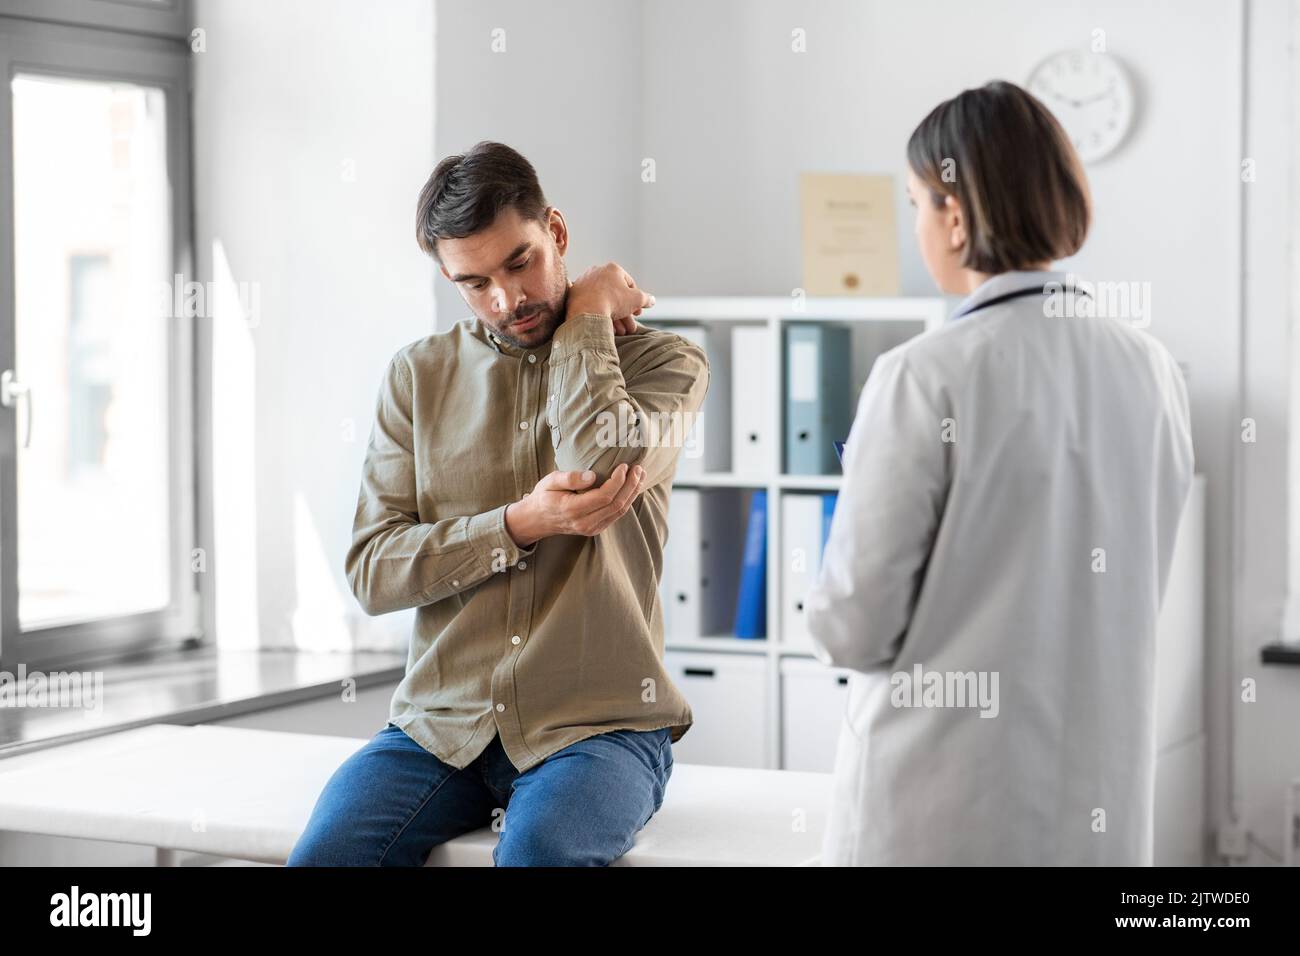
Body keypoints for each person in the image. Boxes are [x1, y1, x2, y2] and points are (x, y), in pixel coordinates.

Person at [805, 81, 1194, 865]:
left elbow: (853, 626)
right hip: (1095, 808)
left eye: (916, 201)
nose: (917, 224)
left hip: (938, 809)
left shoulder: (924, 374)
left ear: (954, 213)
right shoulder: (1151, 369)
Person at [288, 141, 708, 867]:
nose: (506, 300)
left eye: (521, 262)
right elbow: (373, 570)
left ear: (558, 233)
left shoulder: (665, 364)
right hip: (438, 726)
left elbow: (599, 461)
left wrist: (585, 317)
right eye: (474, 282)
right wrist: (518, 525)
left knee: (538, 856)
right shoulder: (418, 376)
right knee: (326, 856)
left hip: (597, 729)